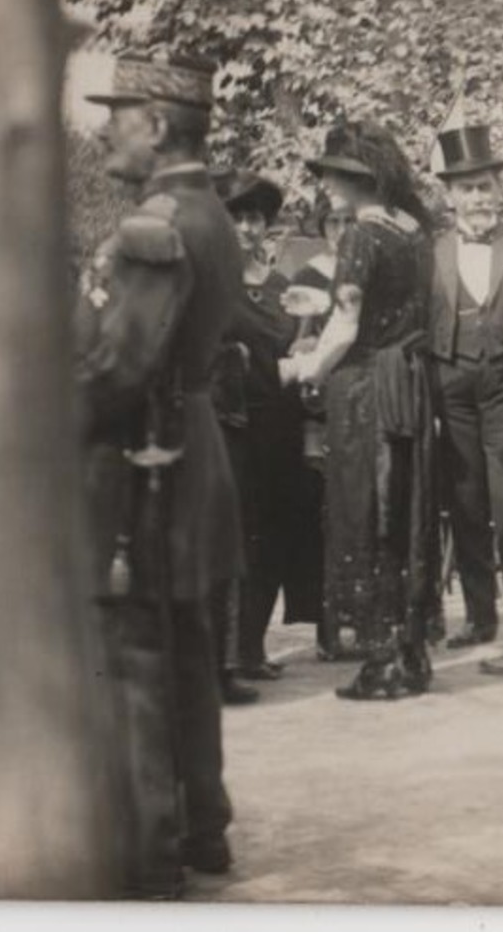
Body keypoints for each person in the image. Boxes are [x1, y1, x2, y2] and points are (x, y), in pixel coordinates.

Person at [76, 52, 243, 892]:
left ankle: (149, 850)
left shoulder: (159, 220)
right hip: (188, 445)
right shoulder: (206, 209)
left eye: (120, 114)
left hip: (148, 457)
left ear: (160, 126)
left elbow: (120, 367)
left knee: (140, 648)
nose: (106, 127)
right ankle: (201, 821)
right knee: (182, 643)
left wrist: (39, 419)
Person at [280, 121, 438, 700]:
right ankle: (410, 651)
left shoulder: (359, 238)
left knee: (365, 509)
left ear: (356, 179)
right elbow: (391, 307)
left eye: (332, 176)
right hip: (408, 383)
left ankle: (381, 661)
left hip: (367, 389)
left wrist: (304, 369)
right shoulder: (414, 232)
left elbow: (346, 327)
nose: (324, 186)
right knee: (402, 508)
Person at [425, 124, 503, 673]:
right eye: (466, 188)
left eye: (485, 186)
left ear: (499, 189)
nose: (477, 198)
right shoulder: (431, 252)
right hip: (451, 391)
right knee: (468, 505)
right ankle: (480, 617)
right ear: (449, 195)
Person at [211, 168, 325, 693]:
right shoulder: (210, 285)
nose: (247, 229)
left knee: (274, 535)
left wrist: (303, 352)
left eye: (255, 218)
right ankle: (225, 658)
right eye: (236, 217)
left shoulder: (283, 288)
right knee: (236, 535)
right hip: (232, 425)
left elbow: (294, 345)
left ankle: (251, 647)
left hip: (280, 425)